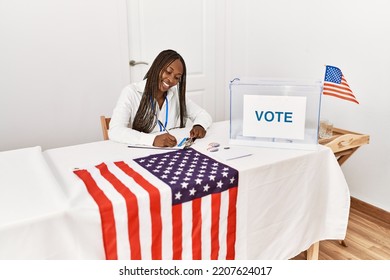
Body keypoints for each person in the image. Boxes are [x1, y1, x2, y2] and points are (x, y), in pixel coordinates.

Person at [108, 49, 212, 147]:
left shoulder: (175, 94)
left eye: (177, 77)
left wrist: (199, 125)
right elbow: (115, 130)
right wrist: (153, 140)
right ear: (157, 67)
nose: (171, 79)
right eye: (168, 71)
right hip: (139, 152)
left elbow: (202, 115)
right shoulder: (131, 92)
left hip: (169, 152)